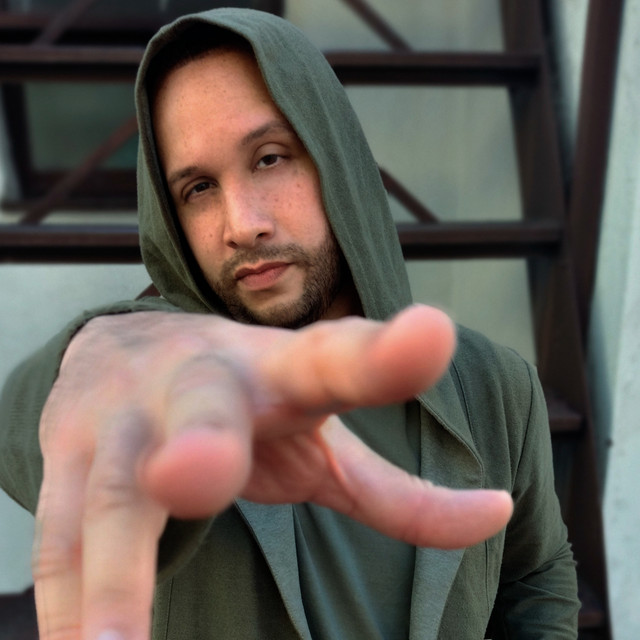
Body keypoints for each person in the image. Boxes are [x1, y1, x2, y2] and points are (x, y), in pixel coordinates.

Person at [0, 8, 579, 640]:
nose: (242, 224)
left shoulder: (498, 388)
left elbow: (536, 572)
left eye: (270, 158)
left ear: (336, 159)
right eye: (198, 189)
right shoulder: (177, 394)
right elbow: (36, 430)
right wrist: (87, 362)